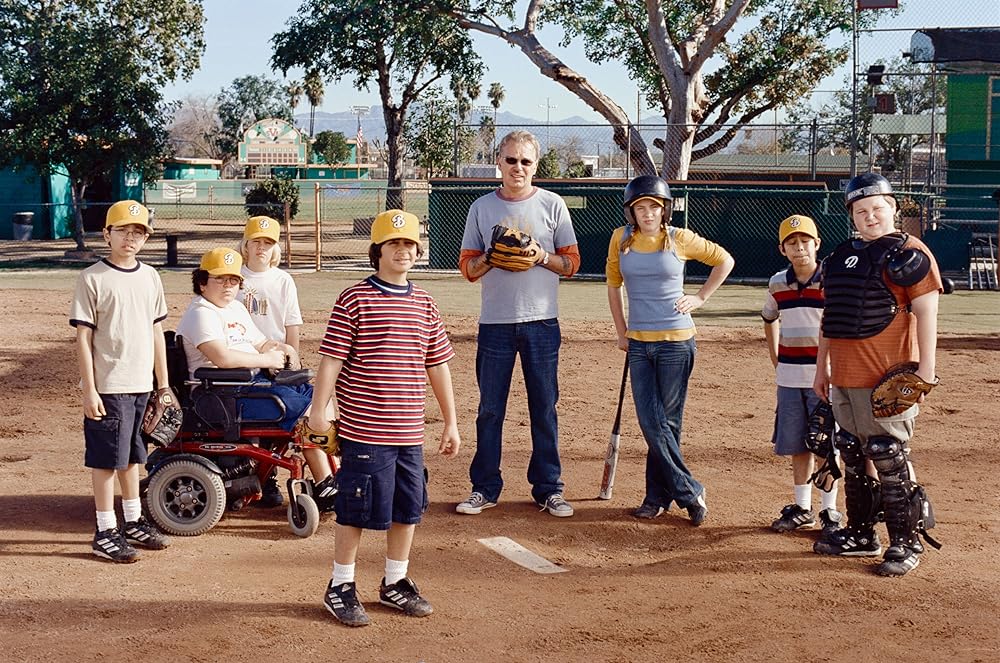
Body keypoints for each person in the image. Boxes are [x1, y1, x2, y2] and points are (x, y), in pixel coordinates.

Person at [307, 209, 460, 627]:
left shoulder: (425, 302)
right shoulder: (354, 298)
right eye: (394, 244)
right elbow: (331, 359)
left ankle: (395, 581)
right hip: (364, 429)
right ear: (378, 251)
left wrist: (450, 420)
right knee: (355, 509)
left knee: (407, 508)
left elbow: (438, 364)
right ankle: (340, 585)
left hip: (409, 429)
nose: (403, 250)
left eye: (410, 244)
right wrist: (319, 410)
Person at [812, 173, 942, 577]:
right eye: (861, 210)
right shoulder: (840, 256)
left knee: (887, 454)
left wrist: (926, 372)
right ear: (851, 214)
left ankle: (906, 542)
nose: (870, 216)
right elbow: (832, 319)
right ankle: (861, 533)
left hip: (886, 376)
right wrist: (822, 369)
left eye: (878, 208)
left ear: (893, 208)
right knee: (851, 450)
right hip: (845, 375)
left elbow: (927, 314)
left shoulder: (911, 253)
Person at [455, 130, 581, 518]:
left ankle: (549, 488)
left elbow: (571, 264)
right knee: (490, 409)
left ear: (535, 165)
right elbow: (468, 268)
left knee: (544, 407)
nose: (518, 168)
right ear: (499, 162)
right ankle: (485, 487)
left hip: (542, 322)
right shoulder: (481, 208)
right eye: (511, 160)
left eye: (526, 161)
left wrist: (539, 254)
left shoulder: (552, 204)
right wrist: (494, 256)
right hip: (496, 323)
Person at [606, 175, 734, 525]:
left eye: (654, 206)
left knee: (667, 423)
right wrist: (621, 332)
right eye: (640, 207)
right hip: (638, 343)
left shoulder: (679, 239)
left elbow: (724, 260)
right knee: (651, 421)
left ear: (665, 210)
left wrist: (700, 298)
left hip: (677, 342)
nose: (648, 213)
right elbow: (614, 287)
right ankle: (690, 490)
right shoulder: (621, 240)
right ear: (631, 211)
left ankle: (656, 496)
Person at [175, 247, 336, 505]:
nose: (228, 286)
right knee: (305, 408)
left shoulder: (235, 308)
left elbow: (261, 343)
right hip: (220, 394)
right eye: (220, 279)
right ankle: (325, 482)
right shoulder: (201, 312)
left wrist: (282, 348)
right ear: (202, 282)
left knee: (320, 396)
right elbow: (222, 358)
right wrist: (266, 360)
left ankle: (330, 473)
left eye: (234, 280)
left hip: (248, 385)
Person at [70, 200, 171, 563]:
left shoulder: (150, 277)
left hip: (141, 383)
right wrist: (90, 389)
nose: (131, 238)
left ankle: (132, 521)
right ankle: (104, 530)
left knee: (132, 457)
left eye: (138, 232)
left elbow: (158, 331)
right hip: (108, 385)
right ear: (107, 234)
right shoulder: (92, 278)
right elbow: (83, 338)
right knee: (105, 460)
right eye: (124, 231)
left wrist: (163, 384)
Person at [762, 215, 842, 535]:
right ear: (782, 249)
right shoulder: (777, 283)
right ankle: (803, 507)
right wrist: (775, 359)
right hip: (789, 376)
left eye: (805, 241)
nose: (799, 248)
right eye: (792, 243)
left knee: (827, 443)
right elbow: (769, 317)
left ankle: (830, 511)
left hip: (825, 379)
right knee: (798, 445)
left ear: (817, 244)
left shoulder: (831, 281)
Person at [237, 215, 310, 508]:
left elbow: (292, 326)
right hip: (244, 362)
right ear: (246, 245)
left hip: (277, 360)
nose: (261, 248)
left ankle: (268, 478)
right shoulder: (236, 276)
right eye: (256, 242)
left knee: (282, 420)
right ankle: (254, 479)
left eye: (268, 243)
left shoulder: (282, 280)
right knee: (251, 424)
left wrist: (292, 361)